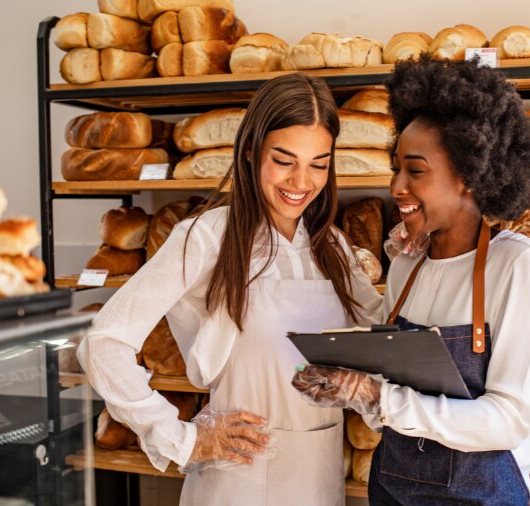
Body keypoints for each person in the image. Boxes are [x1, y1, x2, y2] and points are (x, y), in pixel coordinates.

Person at [77, 72, 382, 506]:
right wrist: (181, 439)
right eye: (284, 160)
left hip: (319, 478)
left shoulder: (330, 244)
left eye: (319, 163)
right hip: (237, 479)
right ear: (251, 152)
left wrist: (417, 257)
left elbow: (382, 335)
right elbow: (103, 344)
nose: (302, 182)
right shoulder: (204, 237)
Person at [292, 55, 530, 505]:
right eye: (396, 168)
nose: (396, 185)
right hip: (392, 488)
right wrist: (351, 390)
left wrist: (378, 398)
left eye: (415, 171)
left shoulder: (520, 266)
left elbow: (509, 420)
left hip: (482, 494)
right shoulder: (405, 265)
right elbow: (392, 408)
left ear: (470, 178)